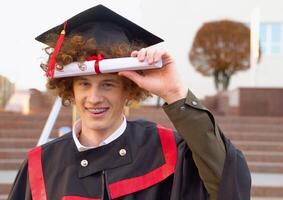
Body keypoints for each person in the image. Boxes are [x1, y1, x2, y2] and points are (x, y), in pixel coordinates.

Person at [8, 4, 251, 200]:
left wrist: (174, 92)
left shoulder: (167, 151)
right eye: (84, 83)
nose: (93, 98)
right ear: (70, 88)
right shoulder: (41, 166)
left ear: (128, 90)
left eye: (108, 84)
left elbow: (230, 182)